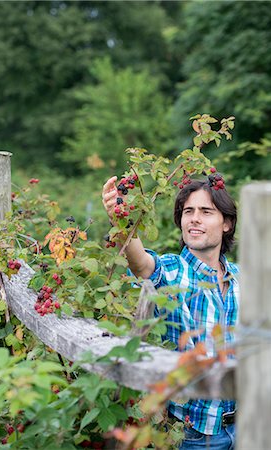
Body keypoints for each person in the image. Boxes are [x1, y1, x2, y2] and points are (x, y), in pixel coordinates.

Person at [102, 175, 239, 450]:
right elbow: (142, 265)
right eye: (188, 211)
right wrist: (121, 220)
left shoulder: (240, 278)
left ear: (226, 223)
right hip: (194, 435)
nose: (194, 219)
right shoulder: (176, 271)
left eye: (206, 212)